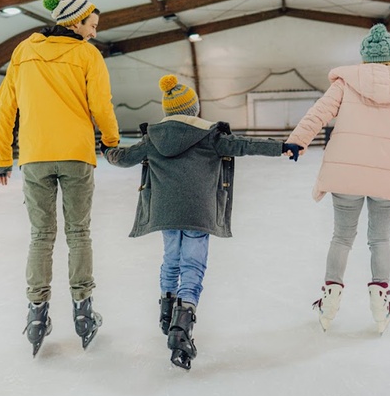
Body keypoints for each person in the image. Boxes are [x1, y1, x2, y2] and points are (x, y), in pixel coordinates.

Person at [103, 75, 300, 370]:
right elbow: (245, 145)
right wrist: (283, 146)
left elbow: (124, 157)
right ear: (194, 109)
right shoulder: (210, 136)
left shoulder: (153, 138)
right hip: (199, 212)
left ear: (168, 111)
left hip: (165, 212)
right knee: (192, 267)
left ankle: (167, 311)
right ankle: (182, 328)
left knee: (171, 260)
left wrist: (107, 150)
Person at [286, 23, 390, 335]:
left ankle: (330, 299)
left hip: (346, 174)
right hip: (389, 178)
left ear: (365, 57)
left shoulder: (346, 82)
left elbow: (318, 114)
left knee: (341, 238)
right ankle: (380, 300)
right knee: (379, 240)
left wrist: (297, 141)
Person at [0, 0, 120, 356]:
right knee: (79, 233)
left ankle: (36, 314)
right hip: (77, 156)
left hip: (35, 157)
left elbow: (5, 107)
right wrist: (110, 141)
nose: (94, 34)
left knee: (41, 235)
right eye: (92, 26)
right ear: (75, 23)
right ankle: (83, 311)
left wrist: (2, 157)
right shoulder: (86, 55)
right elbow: (101, 104)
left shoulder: (23, 52)